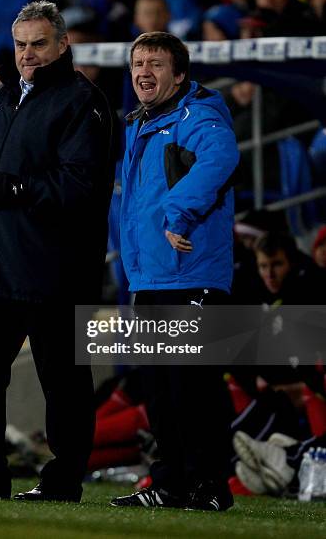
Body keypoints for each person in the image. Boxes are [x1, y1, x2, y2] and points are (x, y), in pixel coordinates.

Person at [0, 0, 116, 501]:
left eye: (38, 44)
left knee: (64, 382)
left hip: (58, 268)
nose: (28, 54)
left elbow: (82, 184)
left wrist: (13, 189)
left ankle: (63, 482)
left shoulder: (84, 101)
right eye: (21, 44)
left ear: (62, 44)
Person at [112, 32, 239, 511]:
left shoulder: (197, 115)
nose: (144, 71)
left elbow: (221, 158)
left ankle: (209, 487)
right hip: (149, 278)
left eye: (157, 64)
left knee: (192, 389)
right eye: (138, 62)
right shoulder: (139, 125)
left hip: (192, 275)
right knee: (160, 394)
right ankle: (170, 485)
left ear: (179, 74)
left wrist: (178, 214)